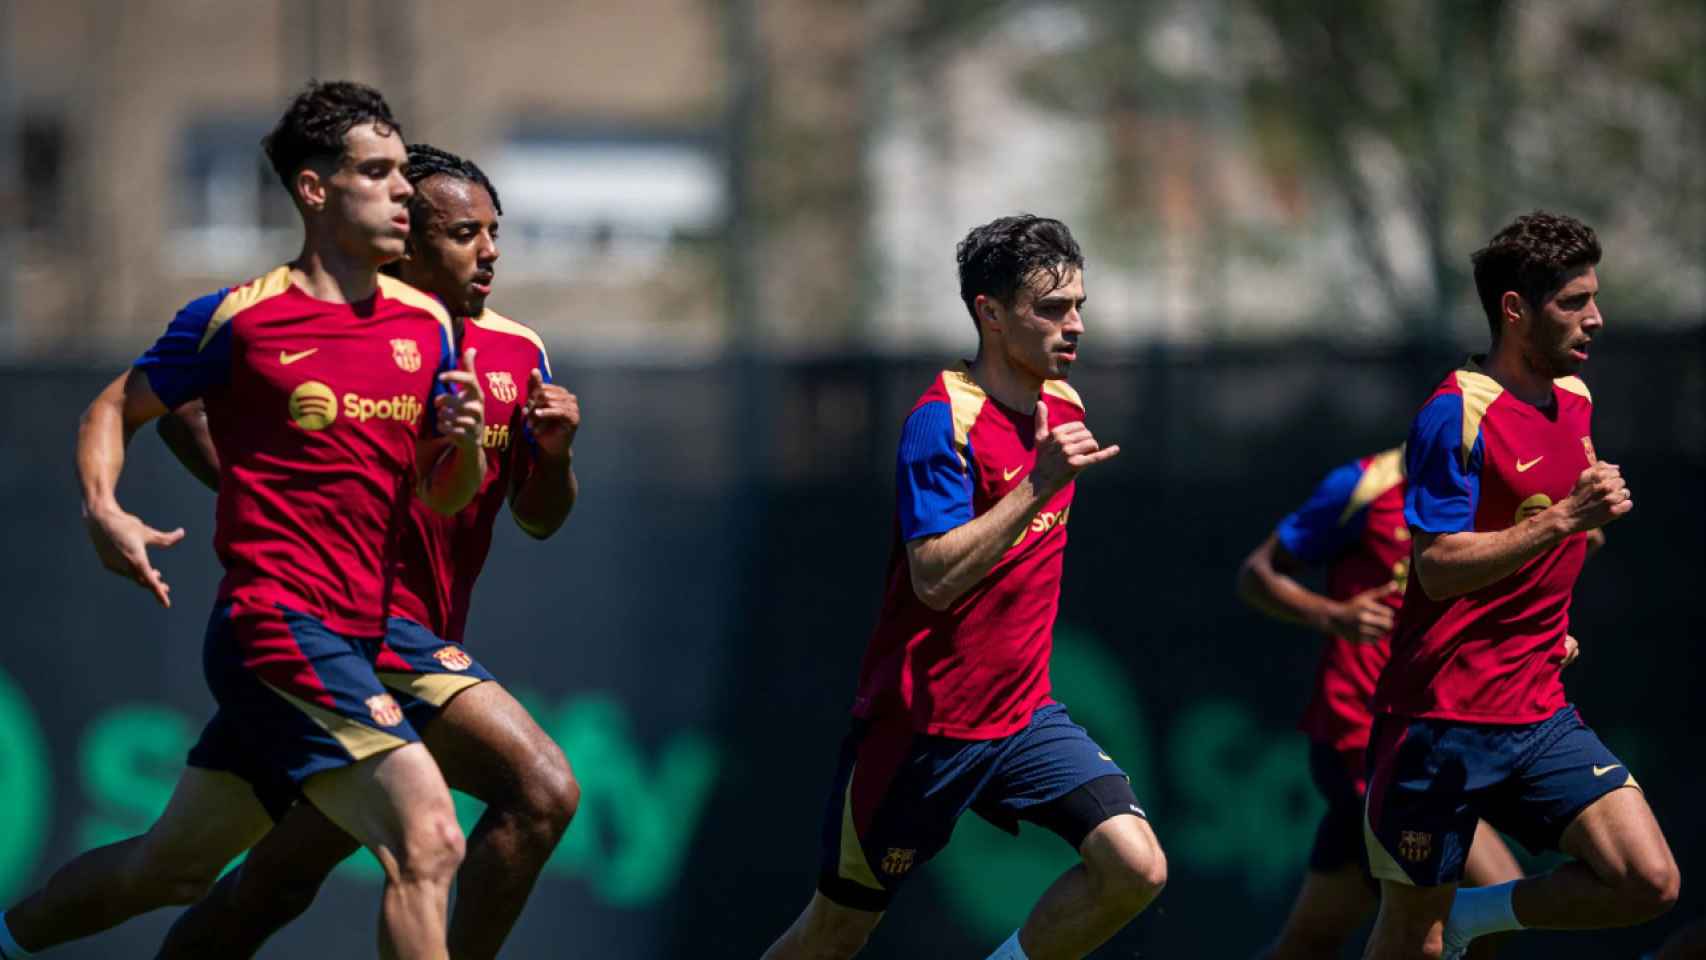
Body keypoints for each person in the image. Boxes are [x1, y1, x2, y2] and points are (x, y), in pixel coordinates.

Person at [0, 81, 487, 960]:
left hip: (365, 631)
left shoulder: (428, 325)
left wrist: (467, 449)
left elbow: (443, 496)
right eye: (376, 172)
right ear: (314, 190)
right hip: (276, 625)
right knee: (430, 835)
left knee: (168, 871)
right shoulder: (238, 318)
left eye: (404, 173)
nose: (403, 191)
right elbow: (115, 406)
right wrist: (103, 508)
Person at [151, 143, 581, 960]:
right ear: (404, 243)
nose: (489, 251)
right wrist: (274, 507)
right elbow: (180, 407)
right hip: (359, 629)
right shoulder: (330, 328)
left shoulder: (518, 353)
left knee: (261, 882)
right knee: (542, 789)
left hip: (388, 646)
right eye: (464, 233)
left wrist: (554, 457)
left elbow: (539, 518)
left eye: (496, 232)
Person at [762, 215, 1166, 960]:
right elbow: (935, 578)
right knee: (836, 932)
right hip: (920, 735)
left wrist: (1039, 479)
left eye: (1078, 306)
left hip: (1021, 721)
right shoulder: (940, 423)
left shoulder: (1063, 407)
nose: (1073, 326)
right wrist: (1036, 488)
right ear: (989, 311)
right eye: (1050, 309)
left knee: (1135, 866)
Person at [1360, 211, 1680, 960]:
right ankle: (1446, 925)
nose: (1594, 317)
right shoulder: (1454, 414)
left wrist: (1545, 609)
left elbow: (1549, 525)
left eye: (1593, 297)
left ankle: (1471, 916)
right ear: (1515, 310)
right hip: (1438, 721)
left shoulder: (1575, 399)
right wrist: (1568, 516)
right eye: (1573, 302)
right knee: (1413, 939)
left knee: (1646, 880)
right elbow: (1437, 567)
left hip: (1537, 712)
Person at [1237, 448, 1530, 959]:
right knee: (1490, 905)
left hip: (1436, 737)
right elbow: (1256, 574)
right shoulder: (1364, 485)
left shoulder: (1496, 493)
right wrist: (1332, 614)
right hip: (1364, 740)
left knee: (1309, 944)